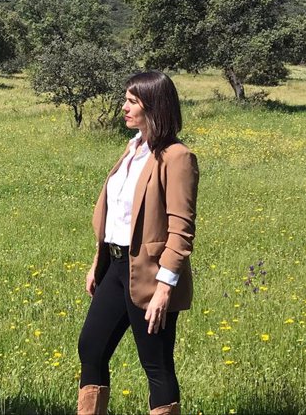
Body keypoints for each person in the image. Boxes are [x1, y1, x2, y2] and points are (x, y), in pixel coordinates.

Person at [77, 71, 199, 415]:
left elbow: (181, 229)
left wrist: (165, 288)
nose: (123, 108)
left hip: (151, 275)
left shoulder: (177, 157)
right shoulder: (133, 148)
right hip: (115, 268)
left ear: (154, 106)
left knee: (156, 364)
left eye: (132, 101)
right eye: (125, 100)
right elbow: (118, 216)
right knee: (91, 347)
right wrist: (96, 262)